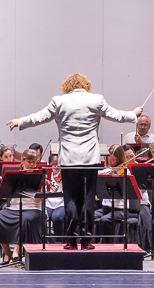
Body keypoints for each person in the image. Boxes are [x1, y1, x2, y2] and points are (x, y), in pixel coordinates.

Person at [8, 73, 141, 250]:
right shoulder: (96, 100)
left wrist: (20, 122)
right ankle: (87, 241)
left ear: (67, 86)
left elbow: (39, 117)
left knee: (70, 199)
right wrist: (133, 114)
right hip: (90, 157)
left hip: (69, 158)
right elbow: (117, 116)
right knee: (87, 198)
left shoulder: (59, 101)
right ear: (86, 85)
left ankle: (70, 240)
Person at [0, 144, 45, 263]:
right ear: (22, 160)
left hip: (32, 208)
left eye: (33, 162)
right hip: (14, 207)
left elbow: (38, 200)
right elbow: (5, 194)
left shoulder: (40, 175)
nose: (31, 165)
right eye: (29, 162)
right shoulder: (13, 174)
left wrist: (40, 191)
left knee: (24, 220)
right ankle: (7, 252)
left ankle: (16, 251)